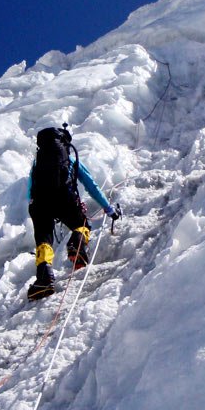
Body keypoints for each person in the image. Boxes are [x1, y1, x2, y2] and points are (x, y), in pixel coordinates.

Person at [26, 125, 120, 301]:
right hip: (64, 199)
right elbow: (92, 186)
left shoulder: (38, 162)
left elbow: (30, 190)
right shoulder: (69, 160)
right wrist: (108, 209)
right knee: (82, 225)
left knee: (44, 240)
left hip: (39, 204)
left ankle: (44, 279)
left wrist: (35, 208)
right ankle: (77, 243)